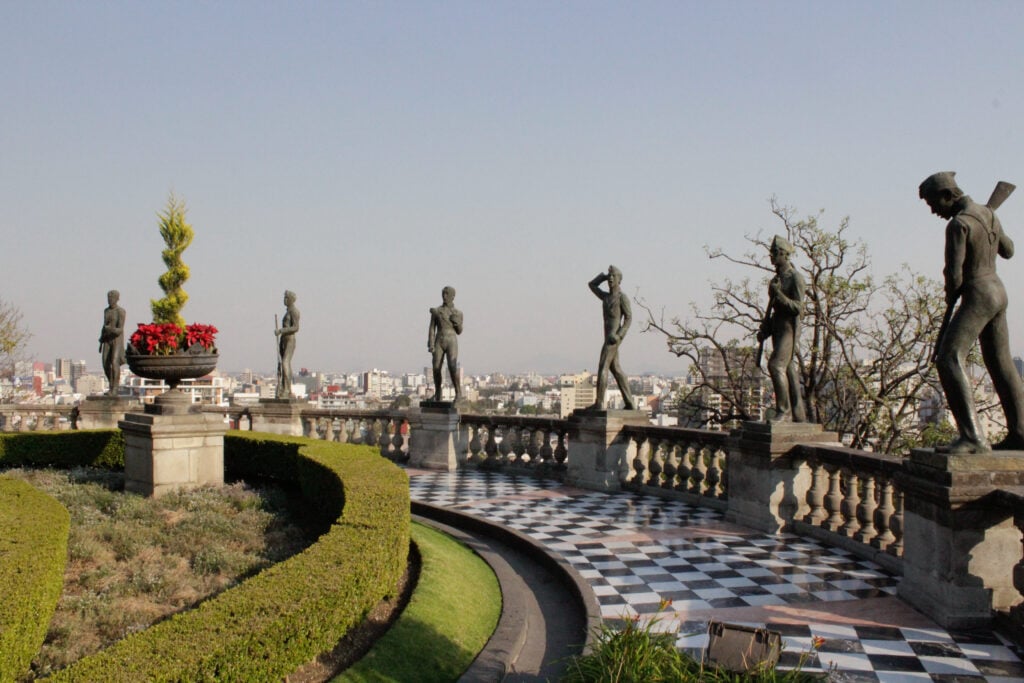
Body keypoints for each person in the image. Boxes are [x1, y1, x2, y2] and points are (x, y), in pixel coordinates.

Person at [920, 171, 1024, 453]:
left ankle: (972, 437)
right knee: (1001, 363)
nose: (933, 211)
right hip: (998, 291)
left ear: (947, 196)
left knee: (949, 357)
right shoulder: (988, 214)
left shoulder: (958, 225)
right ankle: (1020, 433)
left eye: (933, 204)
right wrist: (992, 227)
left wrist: (950, 291)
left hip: (978, 293)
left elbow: (954, 275)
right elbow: (1009, 250)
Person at [757, 236, 807, 422]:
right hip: (778, 328)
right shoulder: (776, 279)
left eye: (775, 253)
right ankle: (799, 414)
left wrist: (778, 294)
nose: (771, 257)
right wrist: (766, 330)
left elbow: (798, 308)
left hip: (789, 329)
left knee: (776, 365)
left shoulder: (795, 278)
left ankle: (784, 412)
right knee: (789, 371)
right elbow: (774, 311)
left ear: (784, 255)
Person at [588, 266, 636, 410]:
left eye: (613, 276)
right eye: (609, 276)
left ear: (619, 280)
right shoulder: (606, 297)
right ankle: (630, 403)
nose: (610, 278)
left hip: (613, 338)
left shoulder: (622, 298)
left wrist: (619, 335)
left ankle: (599, 403)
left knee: (603, 367)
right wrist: (602, 276)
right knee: (616, 369)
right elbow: (591, 285)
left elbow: (628, 318)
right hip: (608, 336)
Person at [428, 286, 463, 401]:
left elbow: (459, 331)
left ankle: (458, 393)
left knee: (452, 366)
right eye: (443, 294)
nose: (444, 296)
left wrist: (457, 323)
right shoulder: (437, 311)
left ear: (453, 297)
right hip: (439, 339)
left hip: (452, 340)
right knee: (436, 367)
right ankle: (438, 393)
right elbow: (432, 328)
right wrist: (431, 344)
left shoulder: (458, 313)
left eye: (447, 294)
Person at [98, 290, 126, 397]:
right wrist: (101, 339)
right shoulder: (106, 311)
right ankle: (111, 384)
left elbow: (120, 330)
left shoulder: (121, 311)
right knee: (105, 364)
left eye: (112, 298)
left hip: (116, 340)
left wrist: (110, 329)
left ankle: (115, 389)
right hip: (107, 340)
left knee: (114, 363)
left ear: (117, 299)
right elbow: (104, 326)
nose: (110, 300)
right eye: (108, 298)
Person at [275, 290, 300, 400]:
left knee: (285, 362)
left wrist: (281, 330)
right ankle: (285, 387)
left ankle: (287, 389)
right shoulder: (288, 311)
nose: (284, 300)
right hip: (284, 339)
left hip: (290, 339)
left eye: (286, 298)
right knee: (284, 363)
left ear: (290, 299)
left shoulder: (294, 311)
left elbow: (296, 327)